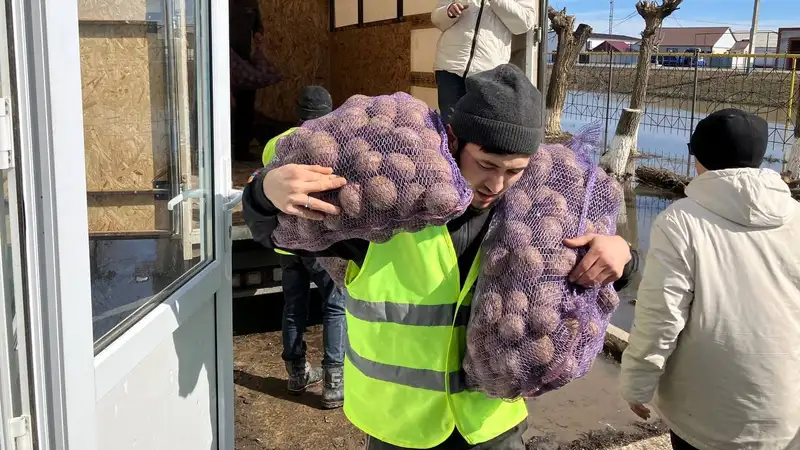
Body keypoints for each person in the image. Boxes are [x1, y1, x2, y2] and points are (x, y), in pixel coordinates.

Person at [243, 64, 638, 449]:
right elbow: (274, 234)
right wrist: (264, 193)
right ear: (452, 139)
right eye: (485, 164)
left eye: (514, 171)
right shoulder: (389, 212)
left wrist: (622, 255)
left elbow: (607, 274)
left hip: (490, 428)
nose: (496, 184)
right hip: (400, 428)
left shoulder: (538, 217)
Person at [619, 109, 800, 450]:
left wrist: (636, 385)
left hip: (706, 417)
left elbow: (661, 317)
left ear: (698, 158)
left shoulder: (680, 223)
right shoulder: (797, 218)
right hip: (786, 410)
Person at [262, 86, 346, 410]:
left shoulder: (275, 143)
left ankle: (297, 374)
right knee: (334, 305)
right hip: (321, 242)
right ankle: (333, 384)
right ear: (329, 112)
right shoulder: (334, 143)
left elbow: (268, 187)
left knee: (294, 306)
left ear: (298, 112)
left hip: (286, 242)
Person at [431, 0, 536, 123]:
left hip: (488, 73)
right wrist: (448, 11)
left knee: (479, 132)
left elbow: (524, 23)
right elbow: (436, 18)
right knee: (451, 129)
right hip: (450, 66)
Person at [230, 0, 265, 161]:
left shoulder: (252, 3)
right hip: (220, 60)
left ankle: (242, 150)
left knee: (246, 103)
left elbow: (257, 27)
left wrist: (258, 35)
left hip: (242, 61)